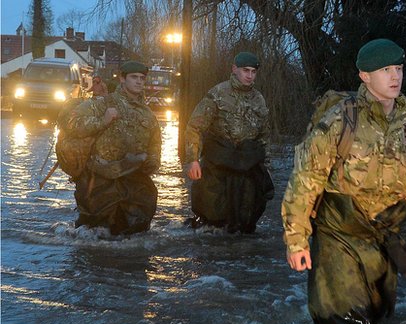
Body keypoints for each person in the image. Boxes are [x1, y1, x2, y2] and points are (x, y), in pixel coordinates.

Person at [281, 38, 406, 324]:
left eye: (398, 68)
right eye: (386, 70)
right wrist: (297, 240)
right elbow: (305, 179)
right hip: (338, 236)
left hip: (383, 236)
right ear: (365, 76)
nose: (395, 76)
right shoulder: (340, 120)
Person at [66, 61, 162, 235]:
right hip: (101, 179)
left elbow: (155, 142)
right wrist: (103, 121)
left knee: (136, 231)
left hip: (134, 179)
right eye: (134, 77)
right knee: (95, 232)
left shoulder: (147, 114)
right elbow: (71, 123)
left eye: (142, 78)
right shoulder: (102, 104)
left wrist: (153, 161)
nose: (139, 82)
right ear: (122, 79)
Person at [185, 52, 272, 234]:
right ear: (234, 69)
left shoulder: (258, 99)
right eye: (245, 70)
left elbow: (264, 135)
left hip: (247, 165)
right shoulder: (218, 94)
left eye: (253, 72)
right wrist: (192, 159)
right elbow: (195, 127)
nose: (249, 75)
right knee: (214, 216)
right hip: (219, 163)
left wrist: (266, 165)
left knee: (247, 216)